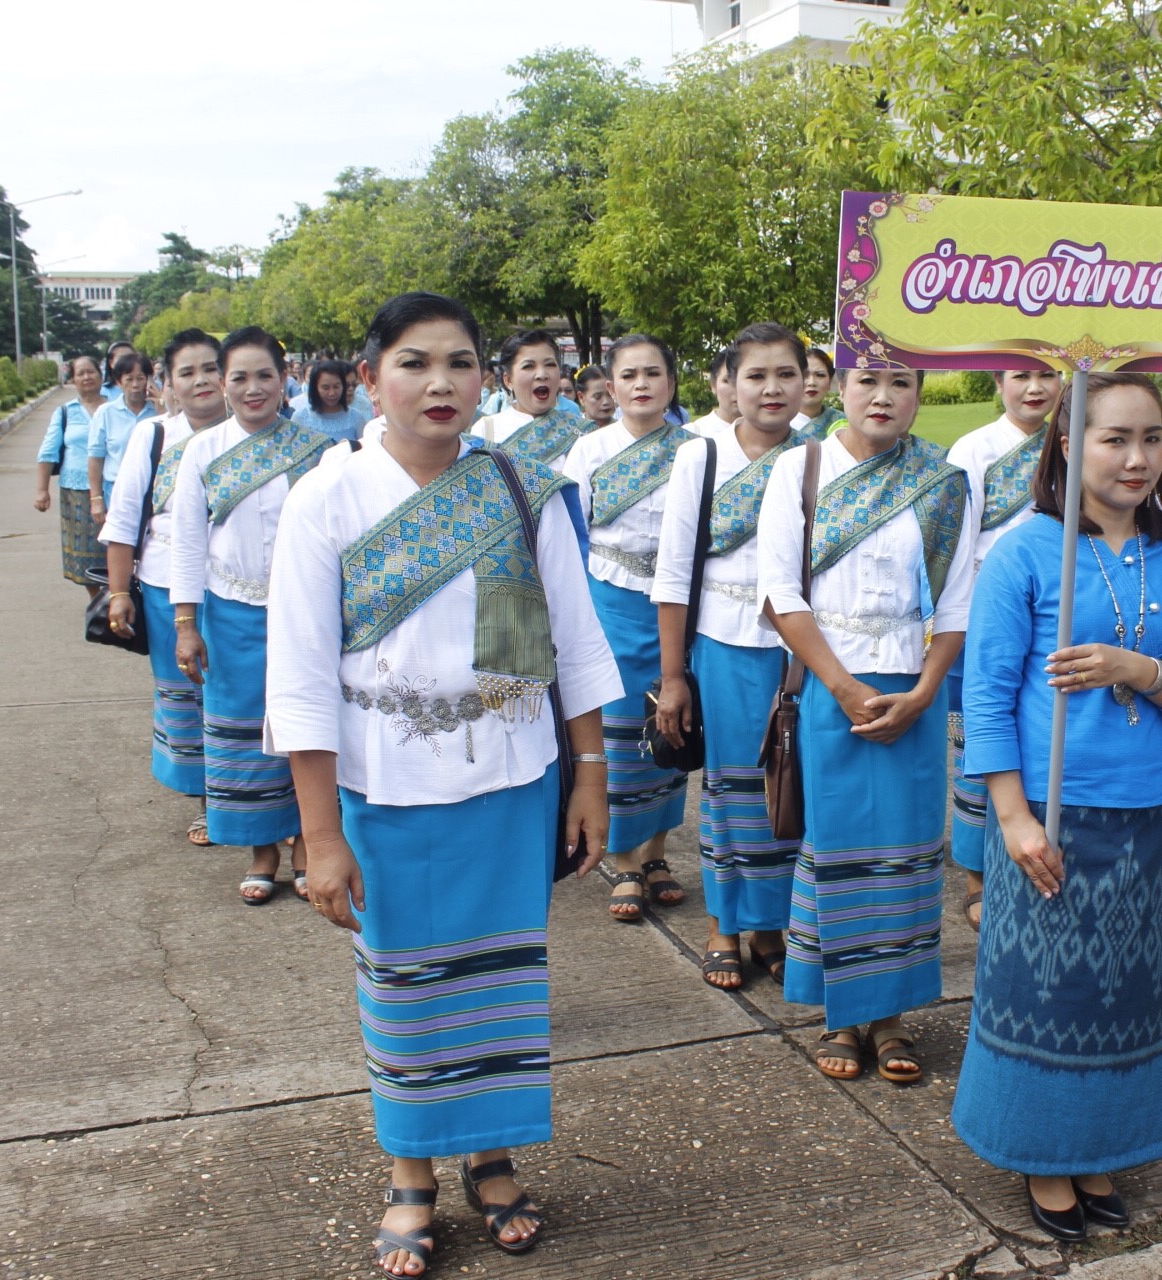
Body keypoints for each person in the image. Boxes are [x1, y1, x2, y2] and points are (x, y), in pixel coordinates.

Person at [267, 292, 620, 1278]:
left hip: (511, 781)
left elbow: (575, 644)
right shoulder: (322, 501)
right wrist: (321, 835)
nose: (440, 382)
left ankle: (493, 1153)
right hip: (387, 790)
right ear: (370, 376)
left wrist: (590, 777)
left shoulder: (521, 487)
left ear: (486, 378)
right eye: (415, 362)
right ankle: (411, 1169)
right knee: (409, 988)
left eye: (461, 362)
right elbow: (297, 677)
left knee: (501, 980)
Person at [953, 371, 1162, 1242]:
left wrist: (1135, 669)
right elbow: (987, 696)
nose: (1138, 457)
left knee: (1130, 998)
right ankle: (1040, 1155)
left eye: (1151, 437)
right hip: (1050, 817)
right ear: (1070, 444)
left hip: (1150, 818)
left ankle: (1103, 1149)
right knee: (1048, 994)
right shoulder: (1026, 552)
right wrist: (1014, 819)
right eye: (1115, 438)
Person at [757, 359, 974, 1084]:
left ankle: (893, 1015)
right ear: (840, 389)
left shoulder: (944, 484)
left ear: (921, 393)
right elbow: (780, 593)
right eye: (867, 382)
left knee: (909, 852)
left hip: (915, 692)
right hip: (831, 687)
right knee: (840, 844)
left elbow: (957, 604)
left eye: (903, 383)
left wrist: (924, 695)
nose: (883, 398)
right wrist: (844, 687)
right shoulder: (799, 470)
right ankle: (843, 1014)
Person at [652, 324, 811, 988]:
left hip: (800, 651)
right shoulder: (701, 458)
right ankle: (724, 924)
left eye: (785, 374)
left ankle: (772, 926)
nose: (771, 388)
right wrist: (670, 677)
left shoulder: (822, 459)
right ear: (730, 384)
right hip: (724, 647)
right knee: (731, 790)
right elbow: (671, 570)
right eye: (756, 375)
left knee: (787, 787)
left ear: (807, 382)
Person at [170, 327, 335, 905]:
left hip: (304, 615)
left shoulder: (316, 451)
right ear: (222, 383)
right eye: (238, 377)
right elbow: (186, 541)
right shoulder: (202, 451)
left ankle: (307, 846)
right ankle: (260, 851)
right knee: (241, 731)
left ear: (284, 378)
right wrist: (185, 624)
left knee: (305, 724)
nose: (252, 388)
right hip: (230, 615)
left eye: (264, 375)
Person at [562, 336, 694, 923]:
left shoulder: (697, 451)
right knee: (618, 735)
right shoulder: (588, 451)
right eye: (629, 375)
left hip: (677, 609)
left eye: (654, 373)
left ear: (671, 382)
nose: (642, 384)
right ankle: (623, 860)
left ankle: (658, 853)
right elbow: (572, 535)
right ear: (610, 387)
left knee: (671, 728)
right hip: (608, 604)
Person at [97, 330, 230, 846]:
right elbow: (125, 518)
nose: (201, 381)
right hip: (164, 588)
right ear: (168, 382)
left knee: (241, 700)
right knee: (190, 696)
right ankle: (206, 802)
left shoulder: (258, 437)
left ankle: (259, 803)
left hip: (240, 593)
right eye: (187, 372)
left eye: (210, 369)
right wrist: (119, 591)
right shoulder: (153, 437)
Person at [943, 368, 1063, 930]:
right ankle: (975, 874)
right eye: (1021, 376)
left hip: (1054, 613)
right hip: (989, 612)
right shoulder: (976, 449)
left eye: (1046, 375)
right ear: (998, 381)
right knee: (982, 738)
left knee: (1036, 735)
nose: (1034, 388)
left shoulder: (1071, 437)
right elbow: (959, 541)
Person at [34, 354, 110, 599]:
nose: (87, 377)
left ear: (101, 376)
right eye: (81, 373)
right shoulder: (65, 412)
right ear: (73, 380)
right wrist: (42, 490)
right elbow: (47, 452)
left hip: (113, 485)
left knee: (116, 545)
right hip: (76, 491)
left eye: (91, 372)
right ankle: (96, 599)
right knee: (86, 550)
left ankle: (118, 593)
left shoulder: (115, 407)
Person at [476, 330, 588, 469]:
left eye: (550, 364)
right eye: (528, 366)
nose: (542, 374)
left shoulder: (579, 430)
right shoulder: (486, 430)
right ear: (508, 380)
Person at [88, 351, 160, 524]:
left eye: (140, 378)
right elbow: (95, 459)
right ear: (119, 382)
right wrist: (96, 499)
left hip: (156, 491)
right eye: (129, 379)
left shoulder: (159, 411)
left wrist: (162, 405)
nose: (135, 385)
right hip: (117, 491)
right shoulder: (106, 413)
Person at [291, 358, 367, 441]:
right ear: (315, 388)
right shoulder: (300, 418)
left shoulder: (356, 418)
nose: (332, 393)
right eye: (325, 388)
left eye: (336, 387)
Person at [692, 346, 739, 436]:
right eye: (727, 381)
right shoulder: (693, 433)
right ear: (713, 385)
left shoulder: (771, 433)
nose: (737, 389)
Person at [796, 346, 841, 435]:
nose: (812, 382)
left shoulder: (841, 423)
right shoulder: (777, 423)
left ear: (830, 381)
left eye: (820, 375)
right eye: (805, 375)